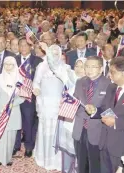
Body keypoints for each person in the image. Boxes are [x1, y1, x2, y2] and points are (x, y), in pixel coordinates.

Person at [42, 41, 87, 173]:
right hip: (68, 121)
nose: (79, 69)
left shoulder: (90, 82)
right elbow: (55, 66)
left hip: (82, 122)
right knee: (67, 152)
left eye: (82, 66)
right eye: (77, 65)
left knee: (80, 153)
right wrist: (48, 52)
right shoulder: (69, 75)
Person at [86, 57, 124, 173]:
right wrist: (94, 110)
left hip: (122, 148)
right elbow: (105, 109)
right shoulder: (111, 87)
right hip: (104, 143)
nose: (109, 75)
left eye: (113, 72)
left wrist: (116, 122)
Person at [72, 56, 111, 173]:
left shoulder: (109, 84)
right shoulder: (80, 81)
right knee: (81, 164)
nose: (89, 69)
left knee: (95, 165)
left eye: (93, 67)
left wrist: (95, 111)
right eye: (87, 66)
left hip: (97, 130)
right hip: (80, 129)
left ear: (101, 68)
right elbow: (76, 101)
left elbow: (110, 111)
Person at [32, 43, 65, 171]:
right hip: (45, 103)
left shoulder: (64, 67)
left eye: (57, 53)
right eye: (52, 53)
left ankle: (56, 160)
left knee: (57, 132)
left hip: (59, 104)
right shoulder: (41, 66)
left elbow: (68, 85)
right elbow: (36, 82)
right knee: (45, 131)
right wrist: (36, 89)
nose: (54, 55)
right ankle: (44, 157)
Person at [0, 56, 24, 166]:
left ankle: (8, 158)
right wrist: (1, 107)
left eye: (11, 64)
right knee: (0, 135)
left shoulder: (20, 80)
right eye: (6, 64)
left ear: (15, 66)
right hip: (0, 112)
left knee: (11, 137)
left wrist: (11, 105)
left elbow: (23, 97)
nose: (8, 67)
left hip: (13, 112)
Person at [13, 38, 43, 157]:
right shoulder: (13, 60)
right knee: (15, 122)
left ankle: (29, 146)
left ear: (30, 47)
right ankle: (15, 146)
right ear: (18, 47)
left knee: (28, 123)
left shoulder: (37, 61)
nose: (23, 48)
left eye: (26, 45)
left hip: (30, 98)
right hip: (15, 97)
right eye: (21, 45)